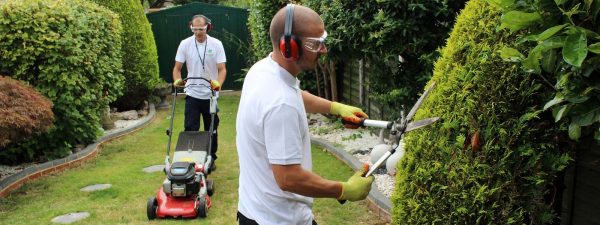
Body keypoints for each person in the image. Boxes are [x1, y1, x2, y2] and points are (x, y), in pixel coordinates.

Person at [235, 4, 374, 225]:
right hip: (280, 220)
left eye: (323, 40)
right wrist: (344, 190)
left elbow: (295, 93)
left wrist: (335, 107)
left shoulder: (263, 69)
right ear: (288, 47)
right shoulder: (281, 104)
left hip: (254, 210)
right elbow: (288, 178)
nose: (324, 49)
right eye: (315, 44)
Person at [172, 14, 226, 171]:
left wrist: (218, 85)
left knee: (211, 128)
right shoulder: (185, 44)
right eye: (194, 29)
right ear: (191, 28)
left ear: (208, 27)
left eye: (201, 29)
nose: (198, 33)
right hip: (192, 93)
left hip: (210, 95)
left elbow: (222, 69)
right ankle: (191, 160)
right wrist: (177, 80)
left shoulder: (216, 44)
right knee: (190, 128)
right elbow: (177, 68)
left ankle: (211, 158)